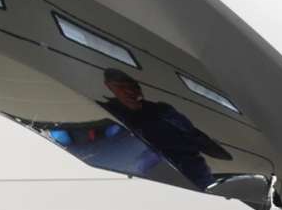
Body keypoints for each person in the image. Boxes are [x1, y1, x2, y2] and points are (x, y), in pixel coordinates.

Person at [97, 68, 231, 190]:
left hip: (193, 177)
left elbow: (192, 134)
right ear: (109, 87)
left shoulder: (162, 111)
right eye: (121, 87)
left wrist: (214, 149)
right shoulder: (107, 113)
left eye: (133, 86)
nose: (129, 91)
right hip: (146, 180)